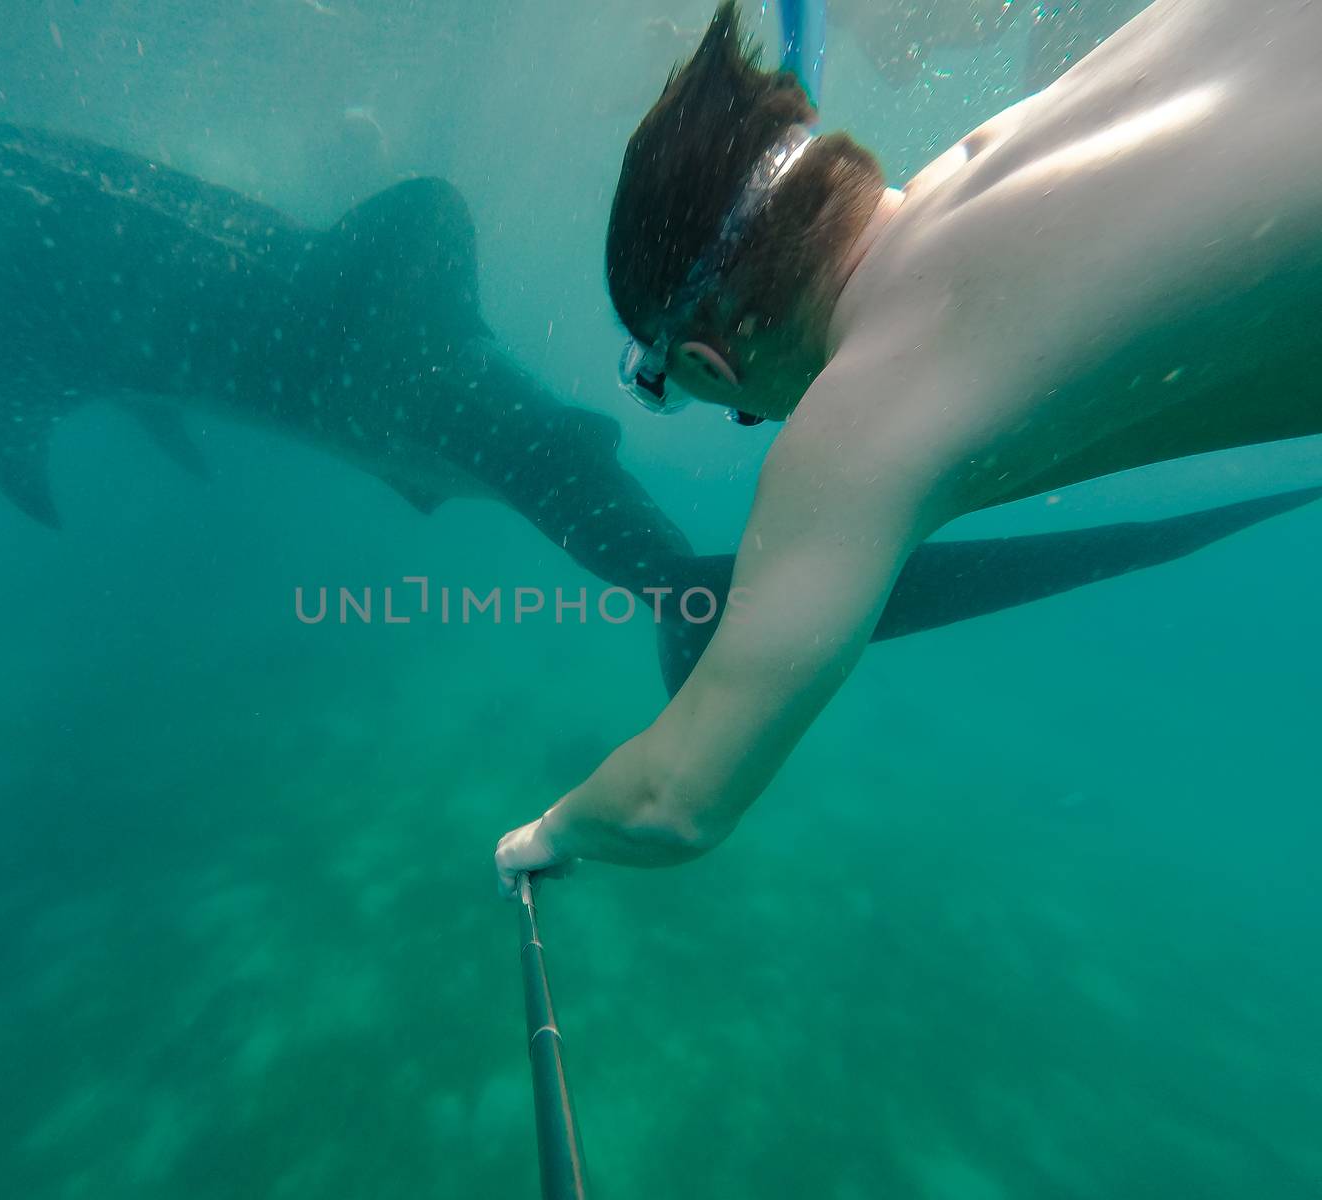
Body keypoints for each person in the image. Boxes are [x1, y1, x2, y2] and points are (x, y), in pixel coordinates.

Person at [495, 0, 1322, 893]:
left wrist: (552, 828)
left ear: (712, 359)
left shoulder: (869, 402)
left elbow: (673, 802)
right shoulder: (1007, 148)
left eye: (674, 387)